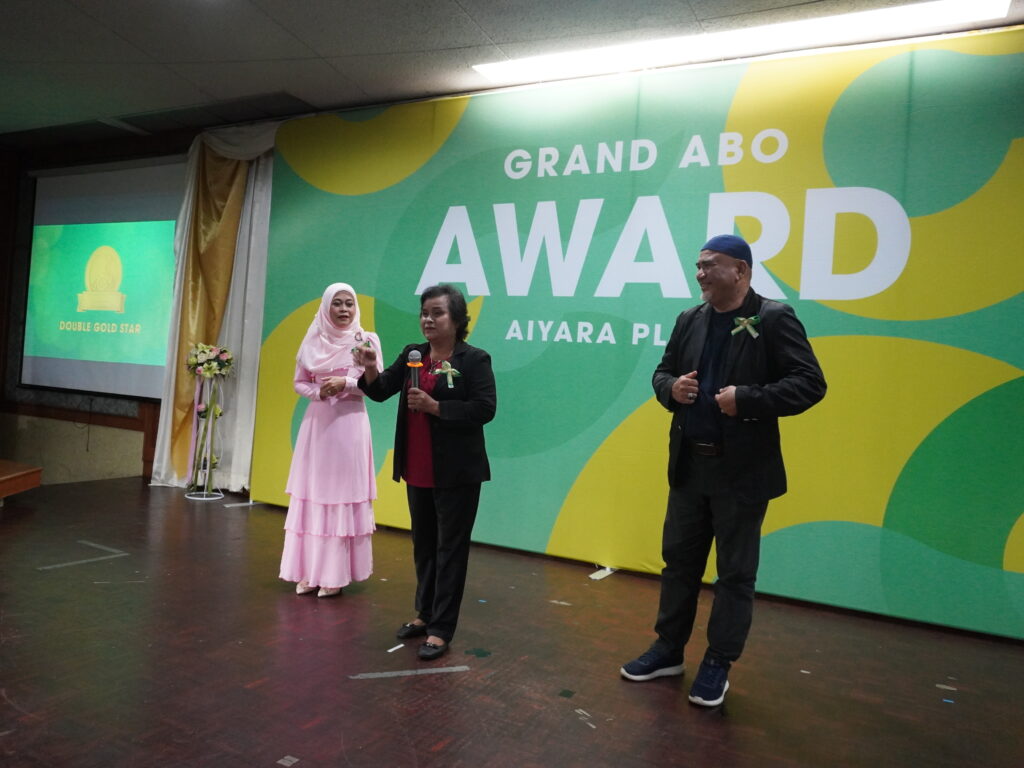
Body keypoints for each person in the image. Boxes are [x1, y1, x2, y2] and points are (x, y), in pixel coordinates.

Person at [620, 234, 826, 707]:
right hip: (690, 466)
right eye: (698, 265)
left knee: (734, 574)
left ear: (741, 270)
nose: (700, 274)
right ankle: (668, 649)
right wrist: (671, 388)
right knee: (678, 564)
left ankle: (717, 662)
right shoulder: (689, 319)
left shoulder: (773, 318)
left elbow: (810, 384)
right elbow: (661, 372)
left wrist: (747, 399)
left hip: (743, 473)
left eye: (710, 265)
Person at [353, 284, 496, 661]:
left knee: (450, 551)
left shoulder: (474, 360)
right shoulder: (412, 354)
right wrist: (370, 366)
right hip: (417, 467)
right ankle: (425, 613)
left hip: (456, 473)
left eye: (437, 313)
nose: (428, 320)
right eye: (424, 313)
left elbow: (484, 409)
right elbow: (380, 390)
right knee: (425, 546)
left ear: (458, 319)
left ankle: (441, 629)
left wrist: (437, 407)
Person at [279, 283, 383, 598]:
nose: (343, 309)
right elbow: (299, 382)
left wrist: (347, 383)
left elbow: (377, 387)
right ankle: (309, 572)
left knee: (340, 496)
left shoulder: (366, 341)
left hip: (350, 426)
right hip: (318, 424)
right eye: (337, 303)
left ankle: (334, 576)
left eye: (349, 303)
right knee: (315, 494)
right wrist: (319, 392)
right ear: (326, 307)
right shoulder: (313, 338)